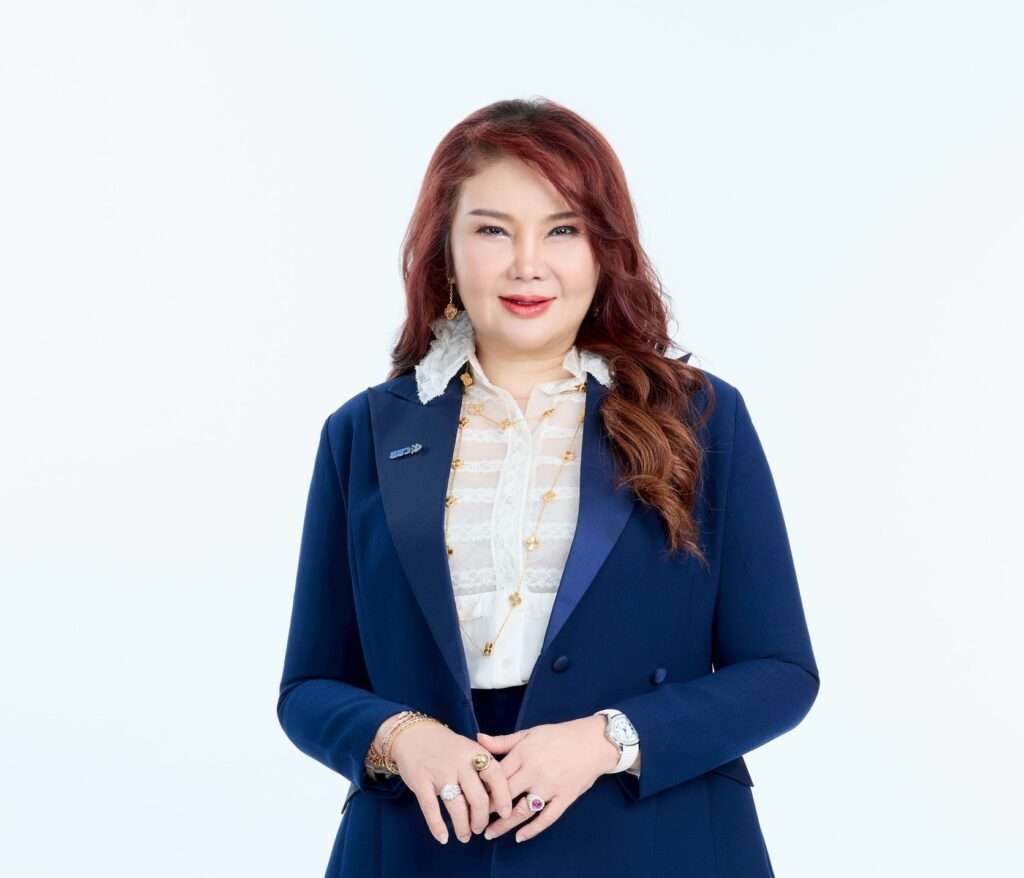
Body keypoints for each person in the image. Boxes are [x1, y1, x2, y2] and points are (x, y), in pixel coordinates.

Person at [276, 97, 819, 877]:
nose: (528, 264)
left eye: (562, 230)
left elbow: (781, 672)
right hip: (427, 847)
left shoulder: (700, 417)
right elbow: (309, 685)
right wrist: (403, 738)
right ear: (446, 251)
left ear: (604, 249)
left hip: (653, 843)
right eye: (493, 231)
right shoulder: (362, 433)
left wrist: (604, 741)